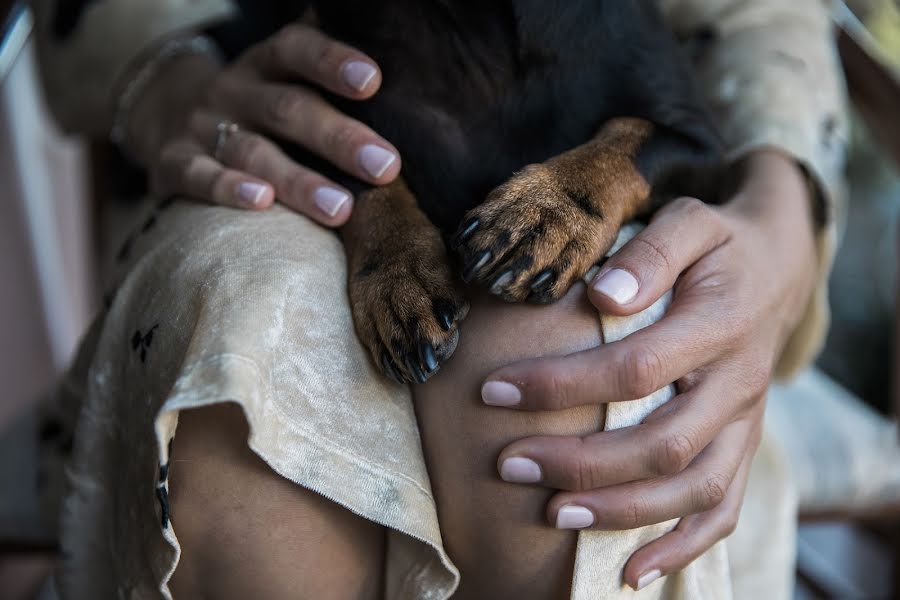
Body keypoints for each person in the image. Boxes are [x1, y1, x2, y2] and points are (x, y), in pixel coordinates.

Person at [31, 0, 847, 598]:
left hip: (607, 111)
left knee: (562, 377)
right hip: (247, 117)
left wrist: (779, 207)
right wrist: (174, 78)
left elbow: (751, 33)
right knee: (247, 379)